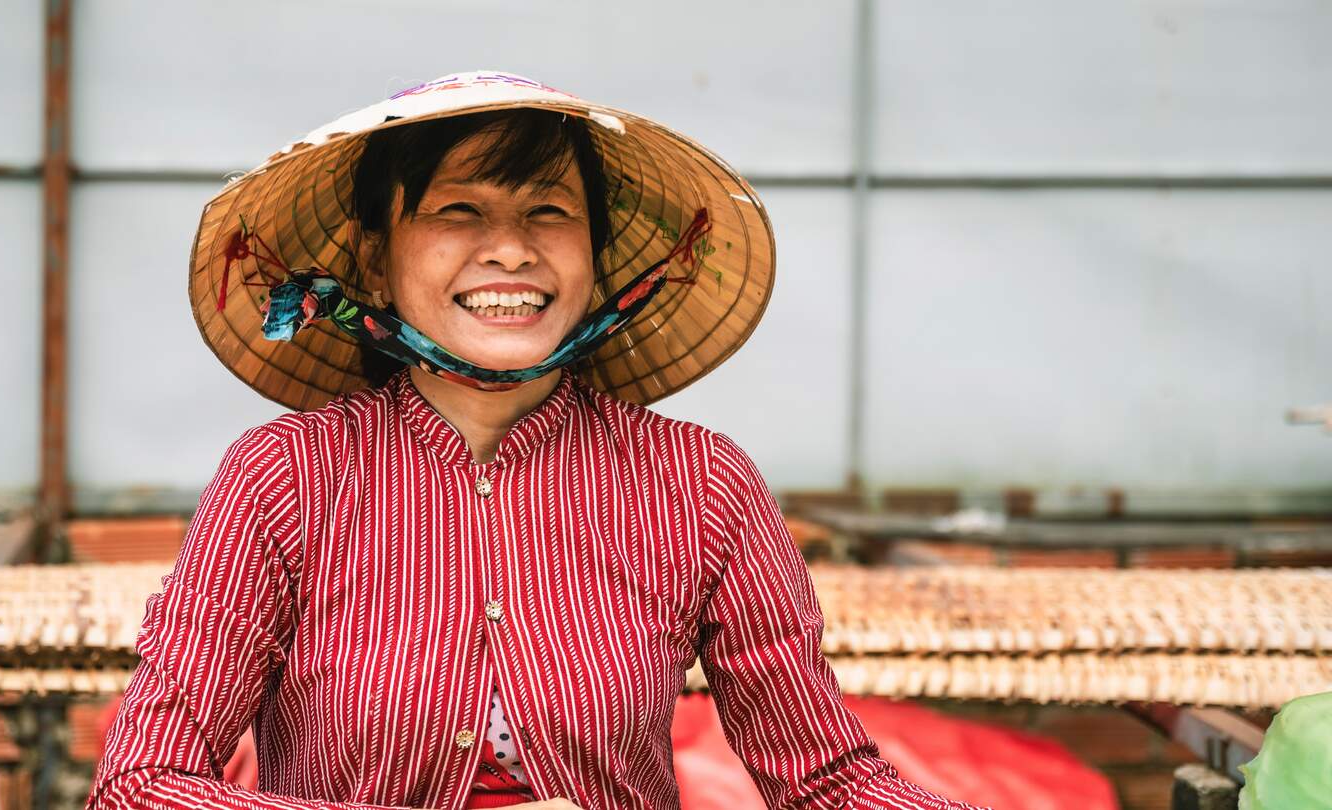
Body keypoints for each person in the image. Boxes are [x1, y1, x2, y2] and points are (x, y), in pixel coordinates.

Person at [87, 71, 987, 810]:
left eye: (549, 212)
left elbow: (826, 783)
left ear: (599, 258)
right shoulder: (284, 478)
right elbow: (139, 787)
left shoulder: (698, 482)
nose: (510, 250)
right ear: (373, 260)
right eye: (458, 211)